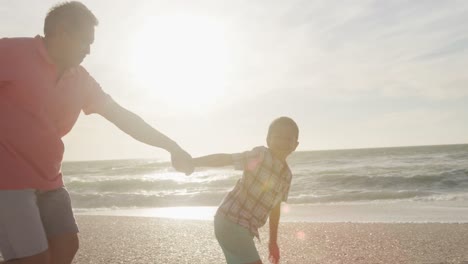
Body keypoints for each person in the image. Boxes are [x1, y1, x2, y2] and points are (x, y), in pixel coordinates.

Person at [0, 2, 193, 263]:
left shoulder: (82, 81)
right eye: (85, 42)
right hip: (8, 183)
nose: (89, 50)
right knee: (34, 259)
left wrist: (172, 146)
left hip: (50, 180)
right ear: (62, 31)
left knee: (67, 245)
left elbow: (123, 117)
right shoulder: (12, 52)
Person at [192, 117, 299, 264]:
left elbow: (275, 208)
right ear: (268, 140)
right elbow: (228, 159)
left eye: (288, 139)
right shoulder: (260, 155)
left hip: (243, 227)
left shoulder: (286, 175)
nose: (282, 142)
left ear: (295, 145)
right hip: (231, 219)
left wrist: (273, 241)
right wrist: (194, 162)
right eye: (278, 137)